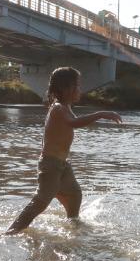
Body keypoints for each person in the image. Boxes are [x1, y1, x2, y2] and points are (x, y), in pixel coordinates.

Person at [7, 66, 121, 234]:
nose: (79, 89)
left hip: (61, 165)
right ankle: (13, 229)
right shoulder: (58, 107)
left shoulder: (65, 107)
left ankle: (73, 224)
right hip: (50, 165)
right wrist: (101, 114)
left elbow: (74, 121)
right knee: (41, 201)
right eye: (77, 86)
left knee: (75, 193)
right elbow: (74, 123)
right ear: (65, 88)